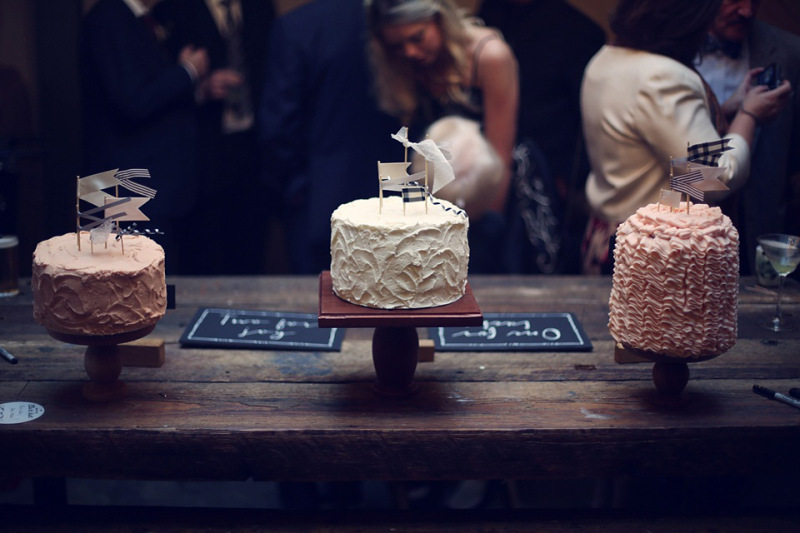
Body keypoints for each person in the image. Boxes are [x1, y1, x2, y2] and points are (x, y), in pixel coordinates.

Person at [579, 0, 791, 274]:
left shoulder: (607, 57)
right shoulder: (662, 76)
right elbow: (710, 178)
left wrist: (726, 109)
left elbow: (650, 135)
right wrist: (749, 116)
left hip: (604, 237)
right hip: (650, 250)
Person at [365, 0, 519, 273]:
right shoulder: (406, 64)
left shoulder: (489, 56)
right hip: (433, 203)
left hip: (487, 196)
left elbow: (500, 159)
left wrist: (486, 234)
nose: (409, 51)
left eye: (417, 37)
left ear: (439, 19)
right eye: (397, 46)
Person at [258, 0, 400, 275]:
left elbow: (278, 127)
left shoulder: (296, 26)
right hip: (392, 197)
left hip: (317, 204)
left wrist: (290, 188)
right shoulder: (392, 16)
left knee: (318, 306)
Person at [79, 0, 209, 274]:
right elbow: (130, 100)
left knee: (147, 285)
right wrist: (187, 72)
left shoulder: (143, 18)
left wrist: (194, 85)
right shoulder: (109, 16)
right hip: (120, 181)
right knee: (121, 287)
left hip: (141, 182)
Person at [478, 0, 605, 274]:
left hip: (551, 176)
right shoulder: (491, 13)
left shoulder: (579, 31)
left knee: (540, 261)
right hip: (497, 163)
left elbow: (587, 116)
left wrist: (568, 179)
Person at [153, 0, 276, 274]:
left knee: (250, 250)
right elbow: (155, 90)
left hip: (254, 149)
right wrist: (199, 87)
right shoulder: (173, 11)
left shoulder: (260, 8)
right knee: (203, 252)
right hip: (201, 153)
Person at [695, 0, 800, 274]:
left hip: (756, 224)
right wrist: (747, 114)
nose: (747, 11)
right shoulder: (669, 50)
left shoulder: (790, 51)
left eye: (754, 0)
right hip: (684, 226)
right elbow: (703, 175)